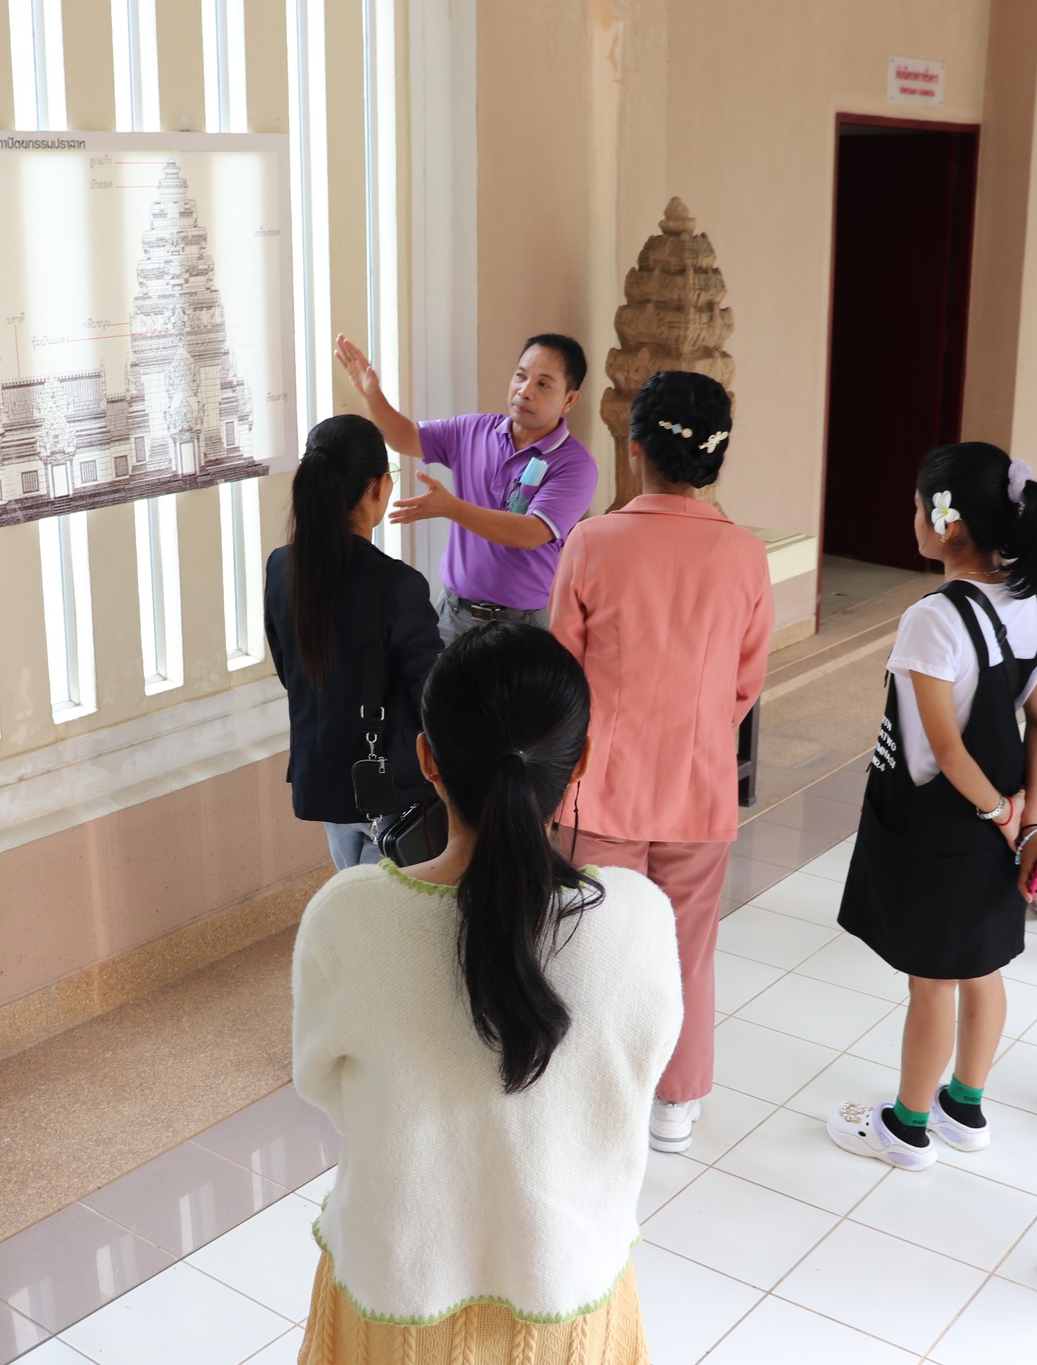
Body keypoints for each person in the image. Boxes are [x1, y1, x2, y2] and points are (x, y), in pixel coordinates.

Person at [291, 623, 681, 1363]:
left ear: (426, 759)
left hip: (394, 1291)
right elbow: (637, 1071)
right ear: (581, 762)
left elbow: (322, 1084)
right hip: (567, 1297)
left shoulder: (348, 916)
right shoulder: (637, 918)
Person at [548, 371, 773, 1155]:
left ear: (634, 448)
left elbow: (563, 674)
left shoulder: (592, 541)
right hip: (698, 785)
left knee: (593, 946)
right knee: (687, 948)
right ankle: (675, 1102)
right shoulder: (745, 553)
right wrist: (698, 731)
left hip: (598, 784)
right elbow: (745, 682)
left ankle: (593, 1095)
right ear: (716, 457)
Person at [828, 444, 1037, 1171]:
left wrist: (999, 814)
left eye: (916, 506)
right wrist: (1028, 823)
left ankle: (906, 1127)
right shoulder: (1034, 608)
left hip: (946, 823)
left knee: (930, 980)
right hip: (1004, 818)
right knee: (983, 966)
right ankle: (965, 1107)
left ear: (947, 522)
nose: (913, 518)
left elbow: (946, 749)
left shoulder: (932, 618)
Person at [334, 331, 599, 640]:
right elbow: (406, 436)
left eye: (543, 384)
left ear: (570, 399)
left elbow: (530, 533)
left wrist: (452, 508)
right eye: (520, 376)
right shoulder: (474, 430)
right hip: (453, 615)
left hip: (523, 626)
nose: (525, 391)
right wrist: (372, 395)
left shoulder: (575, 465)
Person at [264, 415, 443, 869]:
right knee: (393, 904)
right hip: (391, 786)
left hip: (324, 778)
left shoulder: (282, 568)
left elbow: (291, 670)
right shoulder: (398, 584)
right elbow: (432, 699)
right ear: (376, 487)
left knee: (353, 894)